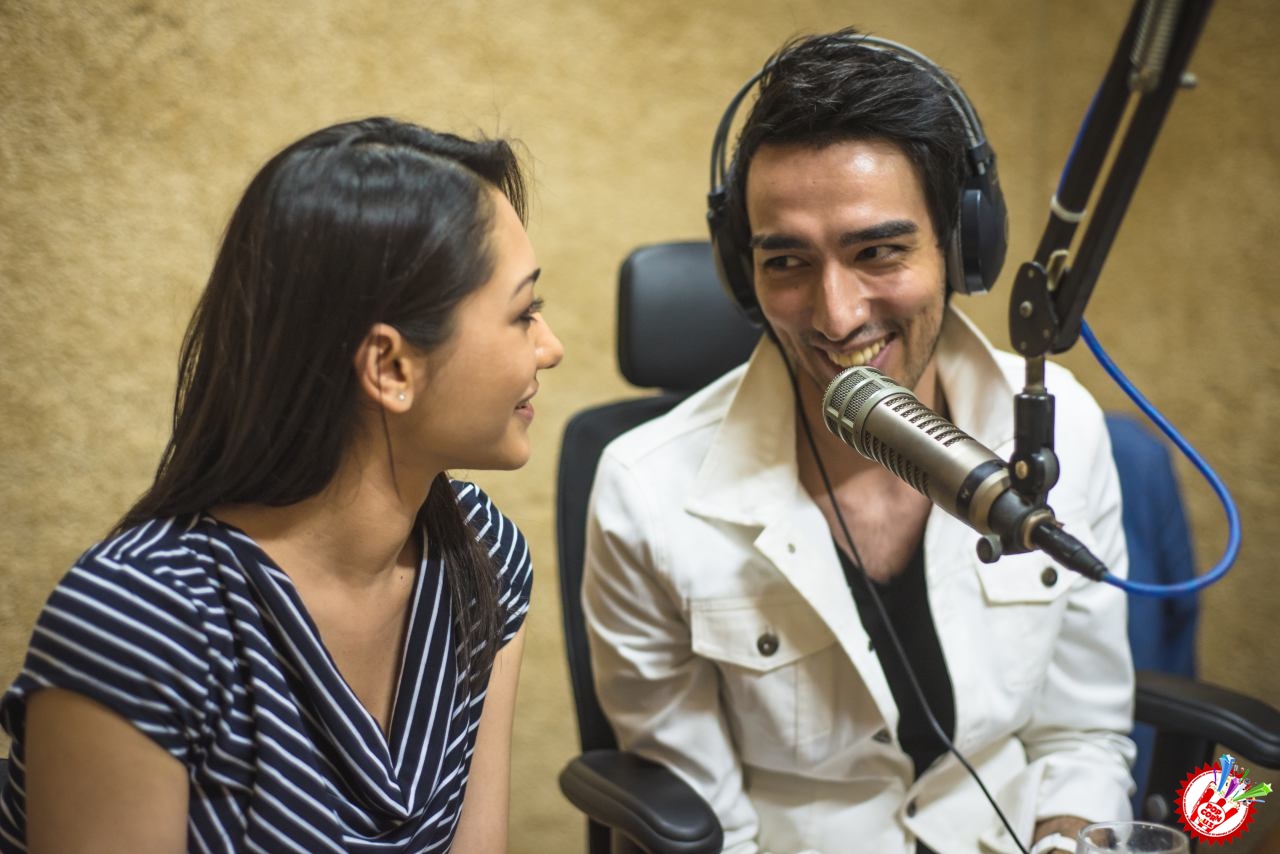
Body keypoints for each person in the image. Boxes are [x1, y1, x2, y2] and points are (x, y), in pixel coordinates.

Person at [583, 29, 1134, 854]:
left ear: (962, 248)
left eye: (878, 251)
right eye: (787, 263)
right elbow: (709, 825)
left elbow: (1081, 737)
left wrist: (1068, 838)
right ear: (743, 273)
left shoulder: (1062, 432)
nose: (837, 316)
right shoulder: (644, 491)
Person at [0, 117, 563, 852]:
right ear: (390, 367)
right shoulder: (138, 621)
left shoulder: (484, 552)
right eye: (524, 314)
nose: (551, 348)